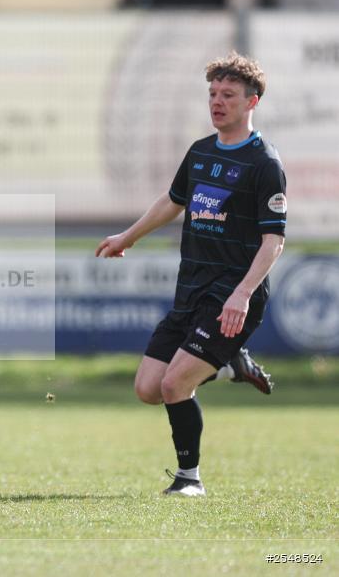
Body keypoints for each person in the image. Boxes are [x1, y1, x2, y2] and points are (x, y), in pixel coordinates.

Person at [95, 52, 287, 496]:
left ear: (252, 102)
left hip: (234, 294)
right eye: (213, 94)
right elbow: (172, 200)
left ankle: (189, 479)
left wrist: (241, 294)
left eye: (229, 95)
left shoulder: (264, 164)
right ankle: (229, 364)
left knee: (175, 383)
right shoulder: (200, 152)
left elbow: (273, 241)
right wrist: (129, 236)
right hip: (192, 287)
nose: (218, 103)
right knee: (148, 388)